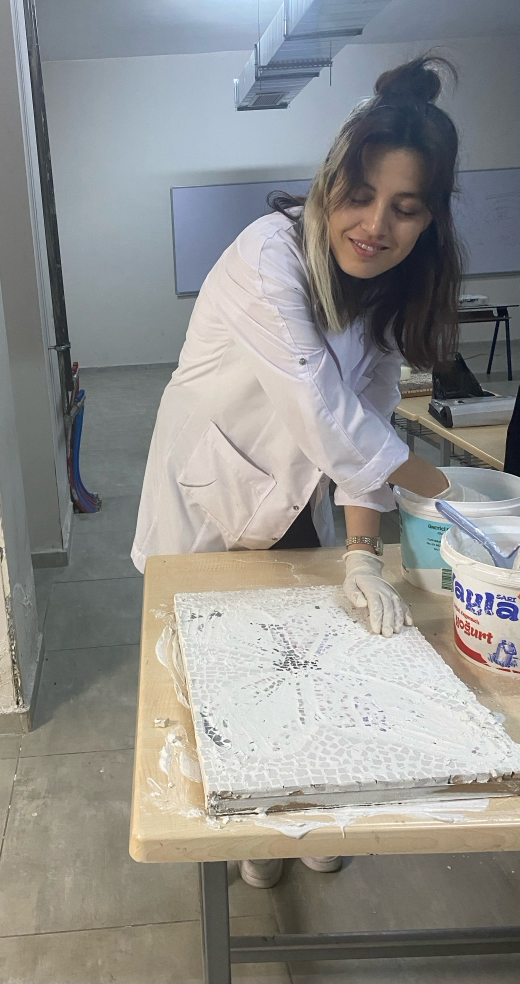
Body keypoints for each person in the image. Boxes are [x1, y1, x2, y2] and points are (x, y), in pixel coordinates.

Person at [132, 56, 480, 886]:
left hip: (293, 491)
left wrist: (362, 554)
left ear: (430, 220)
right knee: (226, 669)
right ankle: (255, 830)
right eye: (359, 195)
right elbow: (325, 414)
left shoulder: (390, 288)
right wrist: (453, 491)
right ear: (329, 185)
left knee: (308, 654)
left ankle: (309, 803)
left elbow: (369, 415)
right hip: (212, 489)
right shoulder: (268, 257)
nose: (375, 225)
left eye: (405, 208)